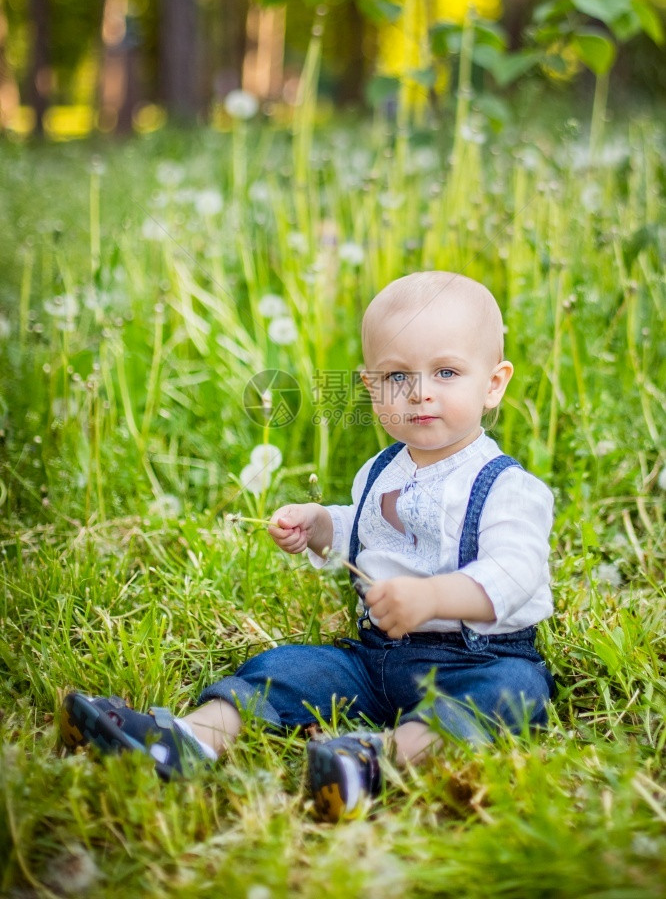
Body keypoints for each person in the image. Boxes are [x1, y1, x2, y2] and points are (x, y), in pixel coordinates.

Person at [60, 271, 555, 820]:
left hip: (474, 660)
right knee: (288, 668)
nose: (419, 392)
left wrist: (435, 598)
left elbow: (517, 574)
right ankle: (186, 739)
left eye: (446, 371)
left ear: (493, 384)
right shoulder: (380, 471)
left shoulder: (507, 487)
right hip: (375, 661)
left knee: (514, 693)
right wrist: (321, 525)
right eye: (396, 376)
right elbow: (367, 531)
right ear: (370, 387)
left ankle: (374, 761)